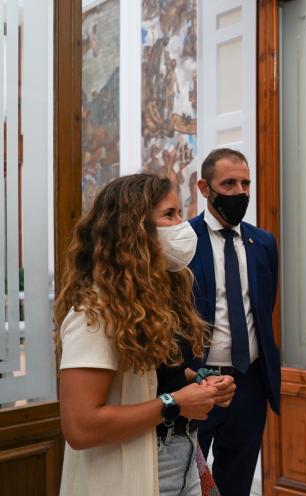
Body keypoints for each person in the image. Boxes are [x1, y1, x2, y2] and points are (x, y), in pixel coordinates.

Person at [55, 173, 236, 496]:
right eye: (169, 215)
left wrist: (200, 381)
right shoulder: (93, 313)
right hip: (135, 465)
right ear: (133, 230)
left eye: (180, 212)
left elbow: (155, 376)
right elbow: (80, 426)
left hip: (183, 458)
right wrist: (176, 403)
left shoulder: (158, 298)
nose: (182, 225)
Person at [188, 148, 281, 496]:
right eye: (228, 183)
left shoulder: (263, 243)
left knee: (236, 482)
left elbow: (263, 307)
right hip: (197, 380)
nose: (240, 192)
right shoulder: (183, 241)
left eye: (246, 183)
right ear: (204, 188)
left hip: (248, 382)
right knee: (188, 481)